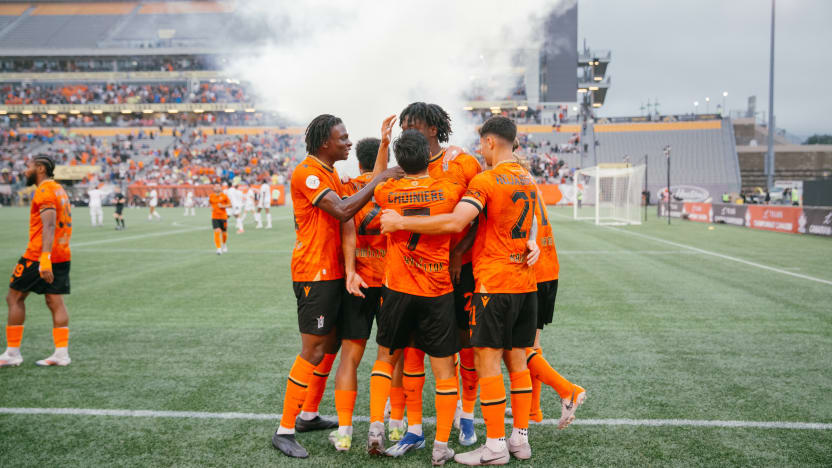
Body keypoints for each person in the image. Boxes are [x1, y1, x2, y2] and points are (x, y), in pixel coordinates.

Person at [381, 116, 541, 466]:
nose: (480, 149)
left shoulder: (486, 179)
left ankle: (495, 446)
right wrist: (534, 243)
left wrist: (400, 221)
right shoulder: (529, 178)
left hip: (494, 284)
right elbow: (536, 222)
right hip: (526, 283)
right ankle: (520, 439)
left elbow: (456, 222)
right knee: (518, 362)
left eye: (482, 143)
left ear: (490, 142)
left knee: (487, 362)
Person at [271, 114, 402, 459]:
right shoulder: (309, 172)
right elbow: (344, 210)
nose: (348, 142)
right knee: (313, 350)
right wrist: (380, 178)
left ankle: (308, 415)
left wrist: (383, 151)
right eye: (342, 138)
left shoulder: (330, 172)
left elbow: (365, 191)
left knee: (329, 345)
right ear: (324, 143)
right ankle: (284, 429)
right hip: (314, 273)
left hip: (331, 272)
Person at [364, 130, 464, 465]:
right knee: (444, 371)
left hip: (397, 289)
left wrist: (383, 148)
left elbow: (376, 179)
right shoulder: (448, 189)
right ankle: (440, 446)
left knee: (385, 359)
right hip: (436, 290)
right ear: (428, 156)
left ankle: (376, 427)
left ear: (401, 161)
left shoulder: (388, 191)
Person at [399, 102, 482, 446]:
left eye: (413, 125)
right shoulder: (403, 167)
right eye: (403, 126)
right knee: (414, 347)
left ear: (433, 129)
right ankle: (414, 427)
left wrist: (459, 253)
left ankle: (467, 416)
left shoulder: (462, 162)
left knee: (466, 344)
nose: (406, 131)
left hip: (461, 269)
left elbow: (483, 215)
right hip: (417, 273)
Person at [329, 117, 396, 452]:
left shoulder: (347, 188)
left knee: (349, 357)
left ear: (358, 163)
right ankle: (390, 426)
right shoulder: (393, 186)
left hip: (358, 281)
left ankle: (344, 432)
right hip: (391, 281)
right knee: (390, 356)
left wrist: (350, 270)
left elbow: (345, 229)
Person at [1, 156, 73, 368]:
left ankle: (12, 353)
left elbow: (49, 225)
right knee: (55, 301)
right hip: (61, 253)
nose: (25, 171)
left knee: (14, 297)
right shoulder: (59, 189)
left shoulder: (45, 190)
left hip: (38, 255)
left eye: (28, 167)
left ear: (40, 168)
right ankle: (61, 354)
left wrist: (44, 258)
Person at [523, 189, 585, 429]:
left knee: (515, 348)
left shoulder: (511, 181)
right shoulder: (530, 184)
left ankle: (568, 390)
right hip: (548, 269)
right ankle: (533, 410)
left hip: (532, 272)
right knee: (532, 344)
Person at [209, 185, 231, 255]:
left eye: (218, 187)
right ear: (214, 188)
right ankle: (218, 248)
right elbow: (210, 203)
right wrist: (211, 208)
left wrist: (223, 206)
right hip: (215, 217)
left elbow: (230, 205)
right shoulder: (211, 196)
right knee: (217, 231)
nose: (217, 188)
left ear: (221, 188)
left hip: (223, 217)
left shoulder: (224, 196)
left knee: (224, 232)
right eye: (216, 187)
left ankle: (224, 244)